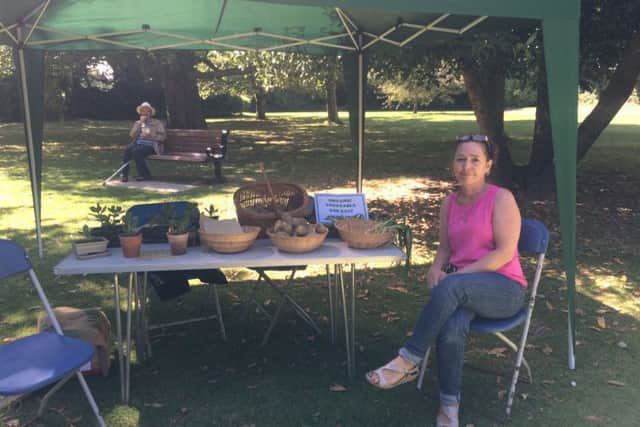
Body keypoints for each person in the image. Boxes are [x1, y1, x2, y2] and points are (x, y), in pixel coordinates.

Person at [365, 134, 527, 427]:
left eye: (475, 160)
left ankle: (408, 360)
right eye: (461, 159)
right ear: (453, 164)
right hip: (462, 290)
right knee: (452, 327)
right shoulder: (449, 202)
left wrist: (455, 279)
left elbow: (504, 254)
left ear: (488, 165)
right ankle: (449, 407)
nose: (467, 166)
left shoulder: (501, 199)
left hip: (504, 288)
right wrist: (434, 269)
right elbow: (445, 249)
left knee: (452, 287)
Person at [121, 102, 166, 182]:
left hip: (152, 145)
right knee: (128, 149)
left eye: (147, 111)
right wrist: (140, 123)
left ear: (150, 113)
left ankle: (145, 175)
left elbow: (163, 137)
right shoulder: (138, 123)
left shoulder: (157, 123)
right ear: (140, 113)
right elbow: (132, 135)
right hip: (138, 144)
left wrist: (151, 135)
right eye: (143, 111)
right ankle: (124, 174)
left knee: (136, 151)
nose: (145, 113)